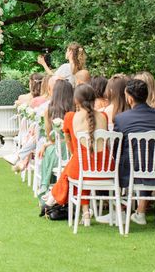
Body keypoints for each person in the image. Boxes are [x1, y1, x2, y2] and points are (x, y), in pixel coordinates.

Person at [42, 84, 111, 226]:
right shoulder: (103, 116)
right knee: (80, 165)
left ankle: (53, 197)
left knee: (78, 166)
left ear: (76, 100)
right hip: (106, 167)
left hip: (83, 166)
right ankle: (82, 211)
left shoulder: (70, 117)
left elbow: (69, 142)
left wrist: (76, 155)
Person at [112, 79, 155, 226]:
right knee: (147, 158)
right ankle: (138, 211)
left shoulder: (121, 118)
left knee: (120, 162)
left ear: (130, 98)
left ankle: (119, 211)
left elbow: (116, 148)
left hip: (130, 171)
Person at [36, 78, 75, 193]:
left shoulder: (49, 110)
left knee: (48, 152)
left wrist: (47, 144)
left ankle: (45, 186)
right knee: (49, 150)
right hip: (74, 151)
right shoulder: (76, 109)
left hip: (59, 152)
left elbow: (50, 137)